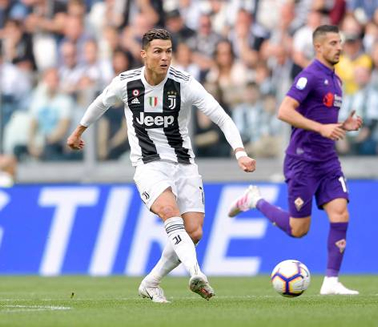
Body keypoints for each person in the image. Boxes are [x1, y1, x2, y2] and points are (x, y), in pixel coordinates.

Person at [66, 28, 256, 302]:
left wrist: (240, 152)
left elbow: (222, 118)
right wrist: (78, 132)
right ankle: (196, 273)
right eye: (158, 51)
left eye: (168, 51)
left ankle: (151, 282)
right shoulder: (126, 83)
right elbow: (100, 103)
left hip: (184, 165)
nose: (164, 57)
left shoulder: (184, 84)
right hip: (148, 164)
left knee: (194, 231)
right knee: (169, 211)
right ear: (144, 54)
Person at [228, 25, 362, 295]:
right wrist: (322, 129)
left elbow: (321, 119)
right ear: (319, 47)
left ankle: (331, 282)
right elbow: (284, 111)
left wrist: (342, 125)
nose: (339, 47)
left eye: (340, 42)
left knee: (341, 213)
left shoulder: (337, 81)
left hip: (327, 160)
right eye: (333, 43)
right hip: (302, 161)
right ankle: (255, 200)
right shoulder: (309, 76)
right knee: (299, 230)